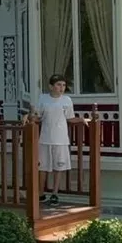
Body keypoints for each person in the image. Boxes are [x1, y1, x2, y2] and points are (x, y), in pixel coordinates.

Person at [25, 74, 87, 206]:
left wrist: (82, 119)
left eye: (63, 85)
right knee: (42, 167)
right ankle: (40, 193)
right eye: (59, 85)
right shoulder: (43, 99)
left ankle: (55, 193)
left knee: (59, 167)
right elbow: (38, 117)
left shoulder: (67, 100)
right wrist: (29, 117)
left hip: (61, 139)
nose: (61, 88)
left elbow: (70, 118)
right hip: (45, 138)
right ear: (51, 86)